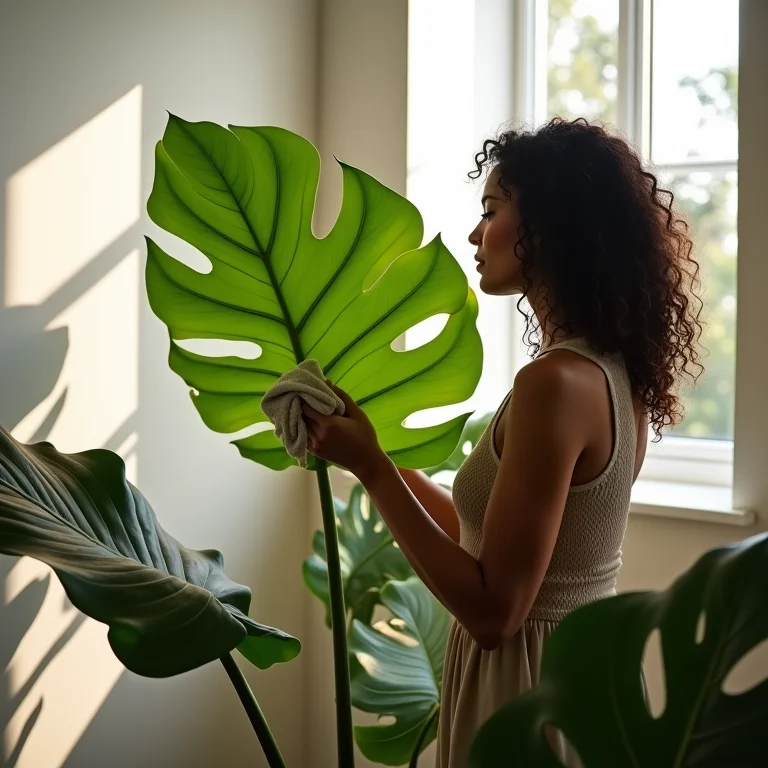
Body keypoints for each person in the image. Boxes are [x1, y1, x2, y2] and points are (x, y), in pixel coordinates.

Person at [301, 117, 704, 767]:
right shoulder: (610, 372)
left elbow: (495, 613)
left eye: (491, 211)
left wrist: (372, 469)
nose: (474, 234)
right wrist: (374, 456)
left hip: (526, 693)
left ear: (547, 228)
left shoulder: (554, 384)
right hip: (579, 679)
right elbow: (482, 540)